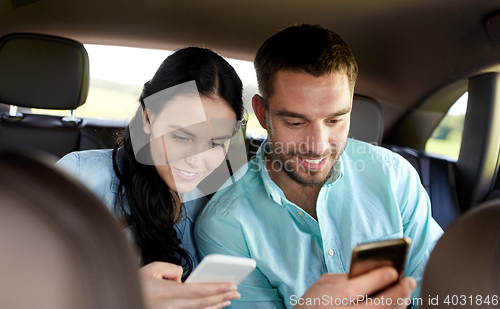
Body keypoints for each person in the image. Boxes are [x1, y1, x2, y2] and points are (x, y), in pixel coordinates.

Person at [194, 24, 444, 308]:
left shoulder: (394, 177)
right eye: (296, 123)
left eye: (335, 120)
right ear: (263, 114)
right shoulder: (226, 225)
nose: (318, 146)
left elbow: (439, 289)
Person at [56, 47, 245, 309]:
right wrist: (126, 294)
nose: (196, 160)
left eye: (216, 144)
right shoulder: (79, 178)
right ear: (148, 118)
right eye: (181, 137)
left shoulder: (217, 205)